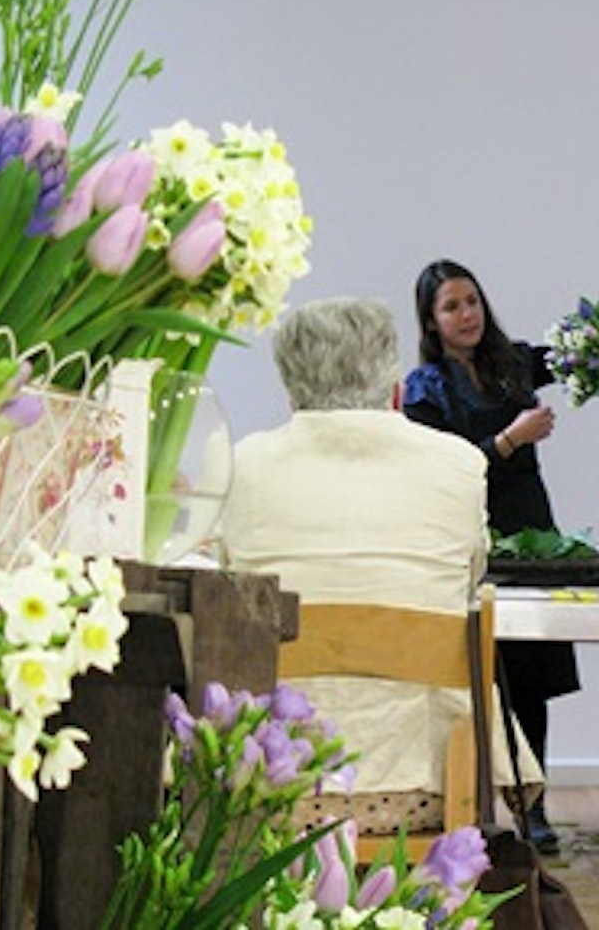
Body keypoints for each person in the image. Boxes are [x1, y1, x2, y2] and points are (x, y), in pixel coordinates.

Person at [221, 296, 542, 834]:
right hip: (426, 780)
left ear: (290, 394)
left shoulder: (239, 465)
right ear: (395, 387)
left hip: (276, 783)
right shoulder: (459, 464)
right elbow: (468, 579)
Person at [404, 258, 599, 852]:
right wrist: (511, 438)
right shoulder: (425, 390)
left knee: (531, 676)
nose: (467, 315)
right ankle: (472, 801)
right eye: (451, 306)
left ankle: (534, 805)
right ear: (431, 321)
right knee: (485, 673)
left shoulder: (511, 363)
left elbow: (573, 358)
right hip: (474, 541)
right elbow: (444, 470)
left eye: (472, 301)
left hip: (532, 533)